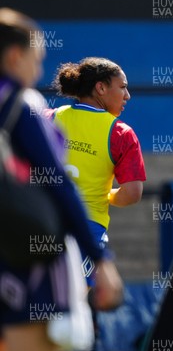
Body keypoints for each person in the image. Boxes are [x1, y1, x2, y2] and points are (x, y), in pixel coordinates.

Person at [0, 8, 123, 351]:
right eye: (36, 56)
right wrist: (101, 257)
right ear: (13, 56)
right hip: (23, 264)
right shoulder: (19, 103)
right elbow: (59, 187)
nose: (38, 66)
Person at [49, 57, 146, 285]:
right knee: (82, 306)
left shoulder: (48, 117)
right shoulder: (121, 134)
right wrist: (108, 195)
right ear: (100, 88)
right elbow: (132, 193)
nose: (127, 95)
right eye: (122, 87)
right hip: (87, 230)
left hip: (43, 224)